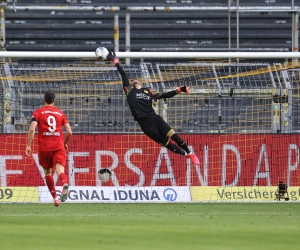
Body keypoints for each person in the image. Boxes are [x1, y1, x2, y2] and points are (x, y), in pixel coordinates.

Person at [100, 50, 199, 165]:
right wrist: (115, 61)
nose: (133, 80)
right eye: (132, 80)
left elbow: (165, 95)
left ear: (140, 84)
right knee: (168, 145)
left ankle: (190, 153)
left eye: (135, 79)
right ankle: (185, 155)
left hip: (155, 119)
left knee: (174, 136)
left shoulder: (149, 91)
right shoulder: (129, 90)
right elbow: (123, 75)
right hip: (146, 126)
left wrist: (179, 90)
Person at [25, 90, 72, 207]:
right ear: (54, 101)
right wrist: (65, 143)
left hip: (44, 147)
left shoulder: (38, 113)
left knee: (47, 173)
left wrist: (28, 145)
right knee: (60, 171)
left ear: (44, 100)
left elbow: (32, 129)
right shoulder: (60, 113)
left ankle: (55, 198)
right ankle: (65, 184)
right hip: (58, 146)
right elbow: (69, 132)